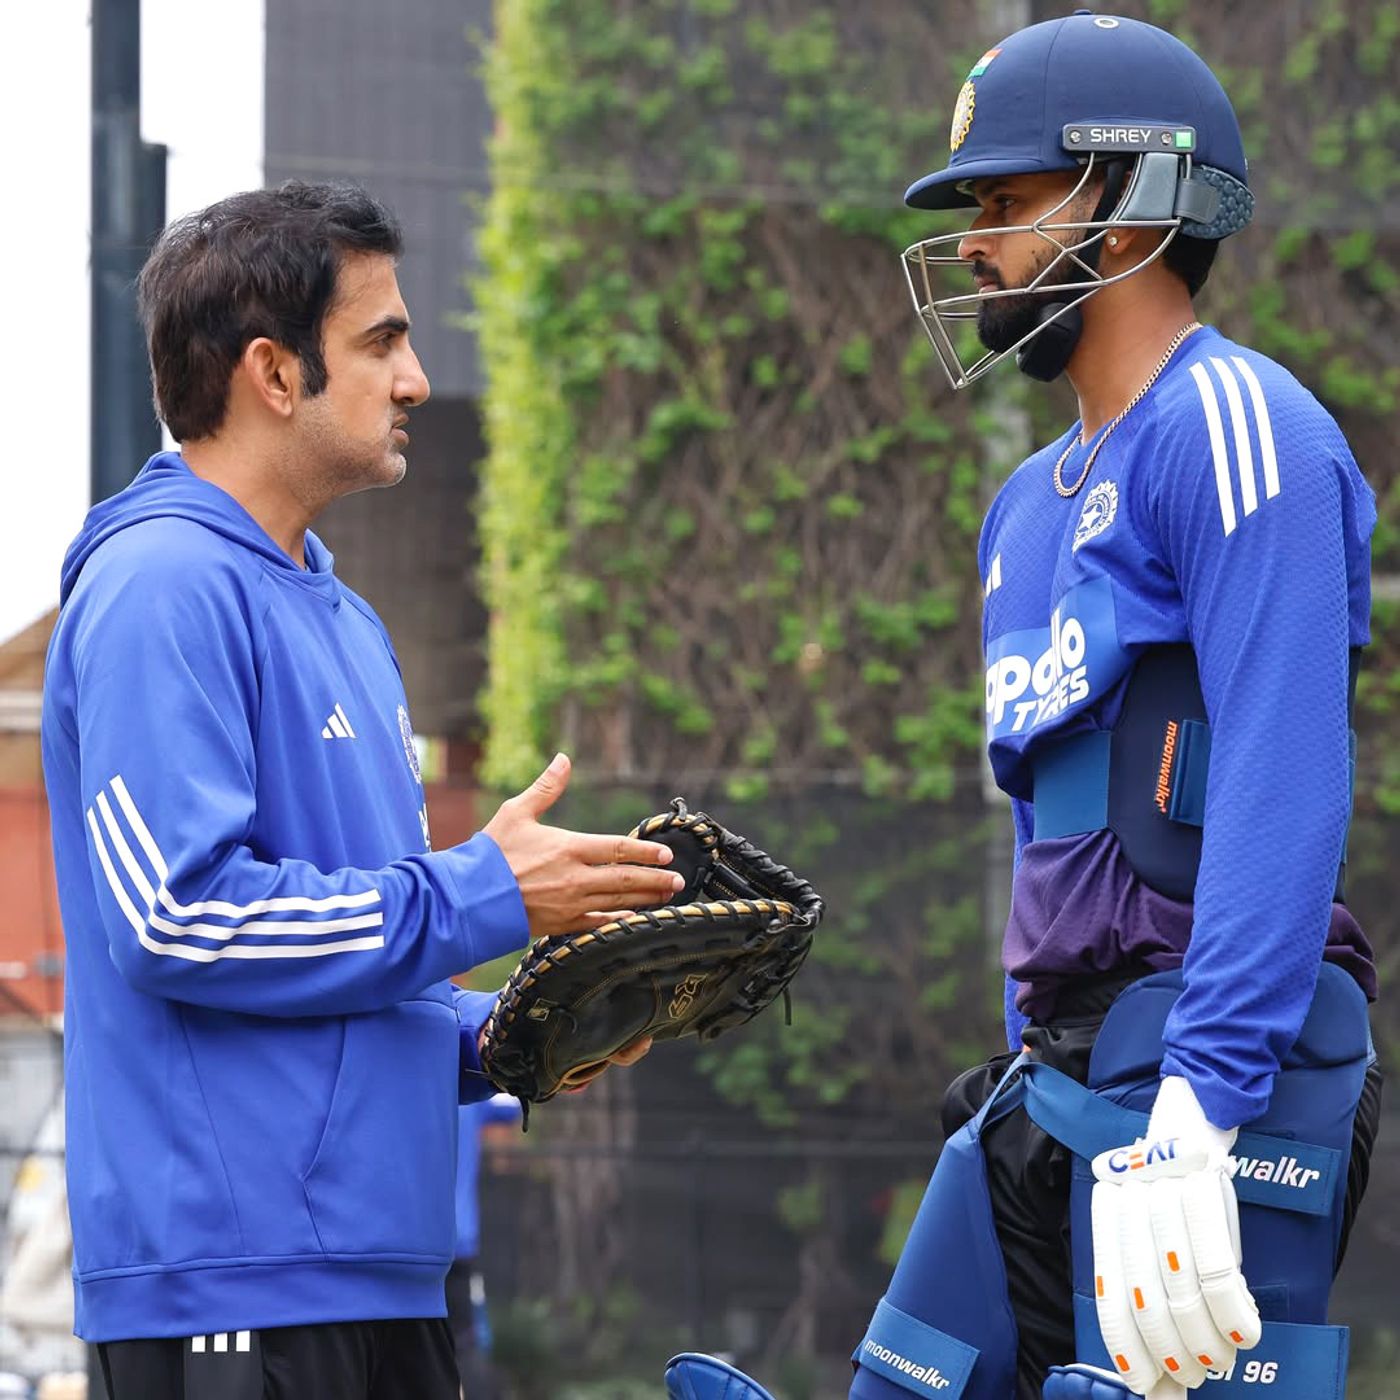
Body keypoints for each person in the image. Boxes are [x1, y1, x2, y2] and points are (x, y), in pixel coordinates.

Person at [669, 12, 1381, 1400]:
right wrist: (1023, 1047)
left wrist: (1202, 1105)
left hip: (1211, 1067)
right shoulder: (1021, 506)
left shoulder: (1241, 427)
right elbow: (1049, 828)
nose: (976, 242)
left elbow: (1282, 779)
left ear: (1127, 208)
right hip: (1058, 1070)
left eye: (1005, 201)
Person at [41, 180, 681, 1400]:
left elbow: (353, 956)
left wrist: (503, 1037)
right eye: (382, 340)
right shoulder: (159, 583)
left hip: (387, 1276)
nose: (417, 378)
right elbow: (182, 919)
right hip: (229, 1289)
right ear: (274, 373)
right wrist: (483, 891)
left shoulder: (348, 619)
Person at [445, 1093, 522, 1397]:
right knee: (465, 1342)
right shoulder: (471, 1094)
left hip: (407, 1247)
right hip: (458, 1244)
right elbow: (515, 1102)